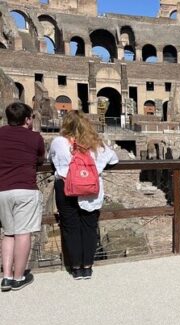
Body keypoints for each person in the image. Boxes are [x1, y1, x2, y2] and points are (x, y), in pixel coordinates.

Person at [49, 111, 118, 280]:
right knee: (89, 228)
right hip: (90, 188)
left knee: (70, 228)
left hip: (66, 187)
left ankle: (76, 268)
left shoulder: (59, 141)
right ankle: (87, 267)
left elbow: (50, 159)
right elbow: (114, 159)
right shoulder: (95, 142)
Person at [0, 102, 44, 291]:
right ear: (28, 119)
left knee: (8, 233)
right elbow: (41, 159)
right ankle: (18, 277)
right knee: (23, 232)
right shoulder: (35, 137)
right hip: (25, 189)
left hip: (2, 190)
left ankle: (6, 277)